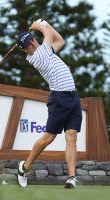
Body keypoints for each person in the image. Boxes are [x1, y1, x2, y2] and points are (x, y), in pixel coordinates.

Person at [16, 19, 82, 189]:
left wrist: (45, 24)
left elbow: (60, 40)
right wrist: (40, 25)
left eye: (32, 39)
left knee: (71, 136)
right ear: (26, 49)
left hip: (73, 97)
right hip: (59, 99)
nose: (33, 43)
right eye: (29, 44)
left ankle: (72, 178)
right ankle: (24, 168)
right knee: (48, 138)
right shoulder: (37, 56)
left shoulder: (46, 51)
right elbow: (49, 35)